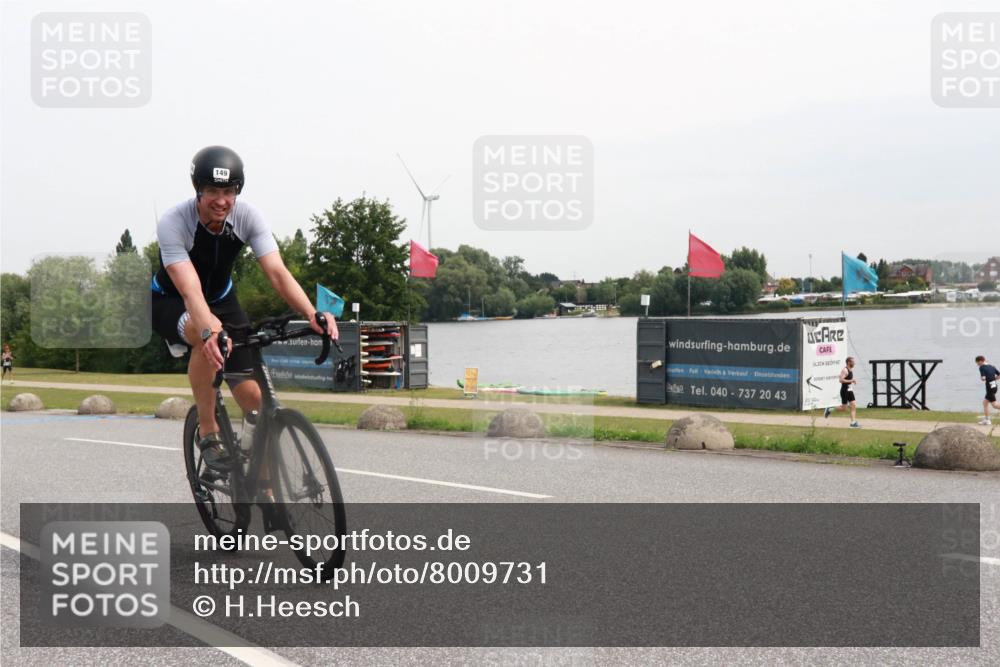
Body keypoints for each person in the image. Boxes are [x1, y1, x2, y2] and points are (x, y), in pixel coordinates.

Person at [151, 146, 337, 472]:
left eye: (228, 191)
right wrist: (209, 330)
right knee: (202, 334)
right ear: (198, 190)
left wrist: (312, 313)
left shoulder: (247, 216)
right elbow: (189, 288)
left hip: (222, 298)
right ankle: (208, 432)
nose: (221, 200)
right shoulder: (174, 222)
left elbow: (277, 273)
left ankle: (264, 491)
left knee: (257, 401)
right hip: (171, 299)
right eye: (212, 191)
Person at [824, 356, 861, 428]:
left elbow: (848, 380)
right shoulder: (845, 370)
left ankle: (853, 423)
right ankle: (829, 409)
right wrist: (851, 380)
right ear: (848, 362)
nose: (854, 363)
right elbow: (841, 380)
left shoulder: (850, 370)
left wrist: (852, 381)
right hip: (844, 390)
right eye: (853, 362)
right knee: (844, 408)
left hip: (849, 390)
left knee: (853, 405)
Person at [975, 355, 1000, 426]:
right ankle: (987, 420)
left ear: (980, 361)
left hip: (989, 388)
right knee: (985, 403)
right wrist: (993, 379)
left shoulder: (982, 367)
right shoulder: (992, 366)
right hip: (994, 387)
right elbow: (999, 375)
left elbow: (983, 378)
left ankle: (987, 420)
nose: (977, 365)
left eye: (977, 363)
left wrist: (983, 378)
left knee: (995, 405)